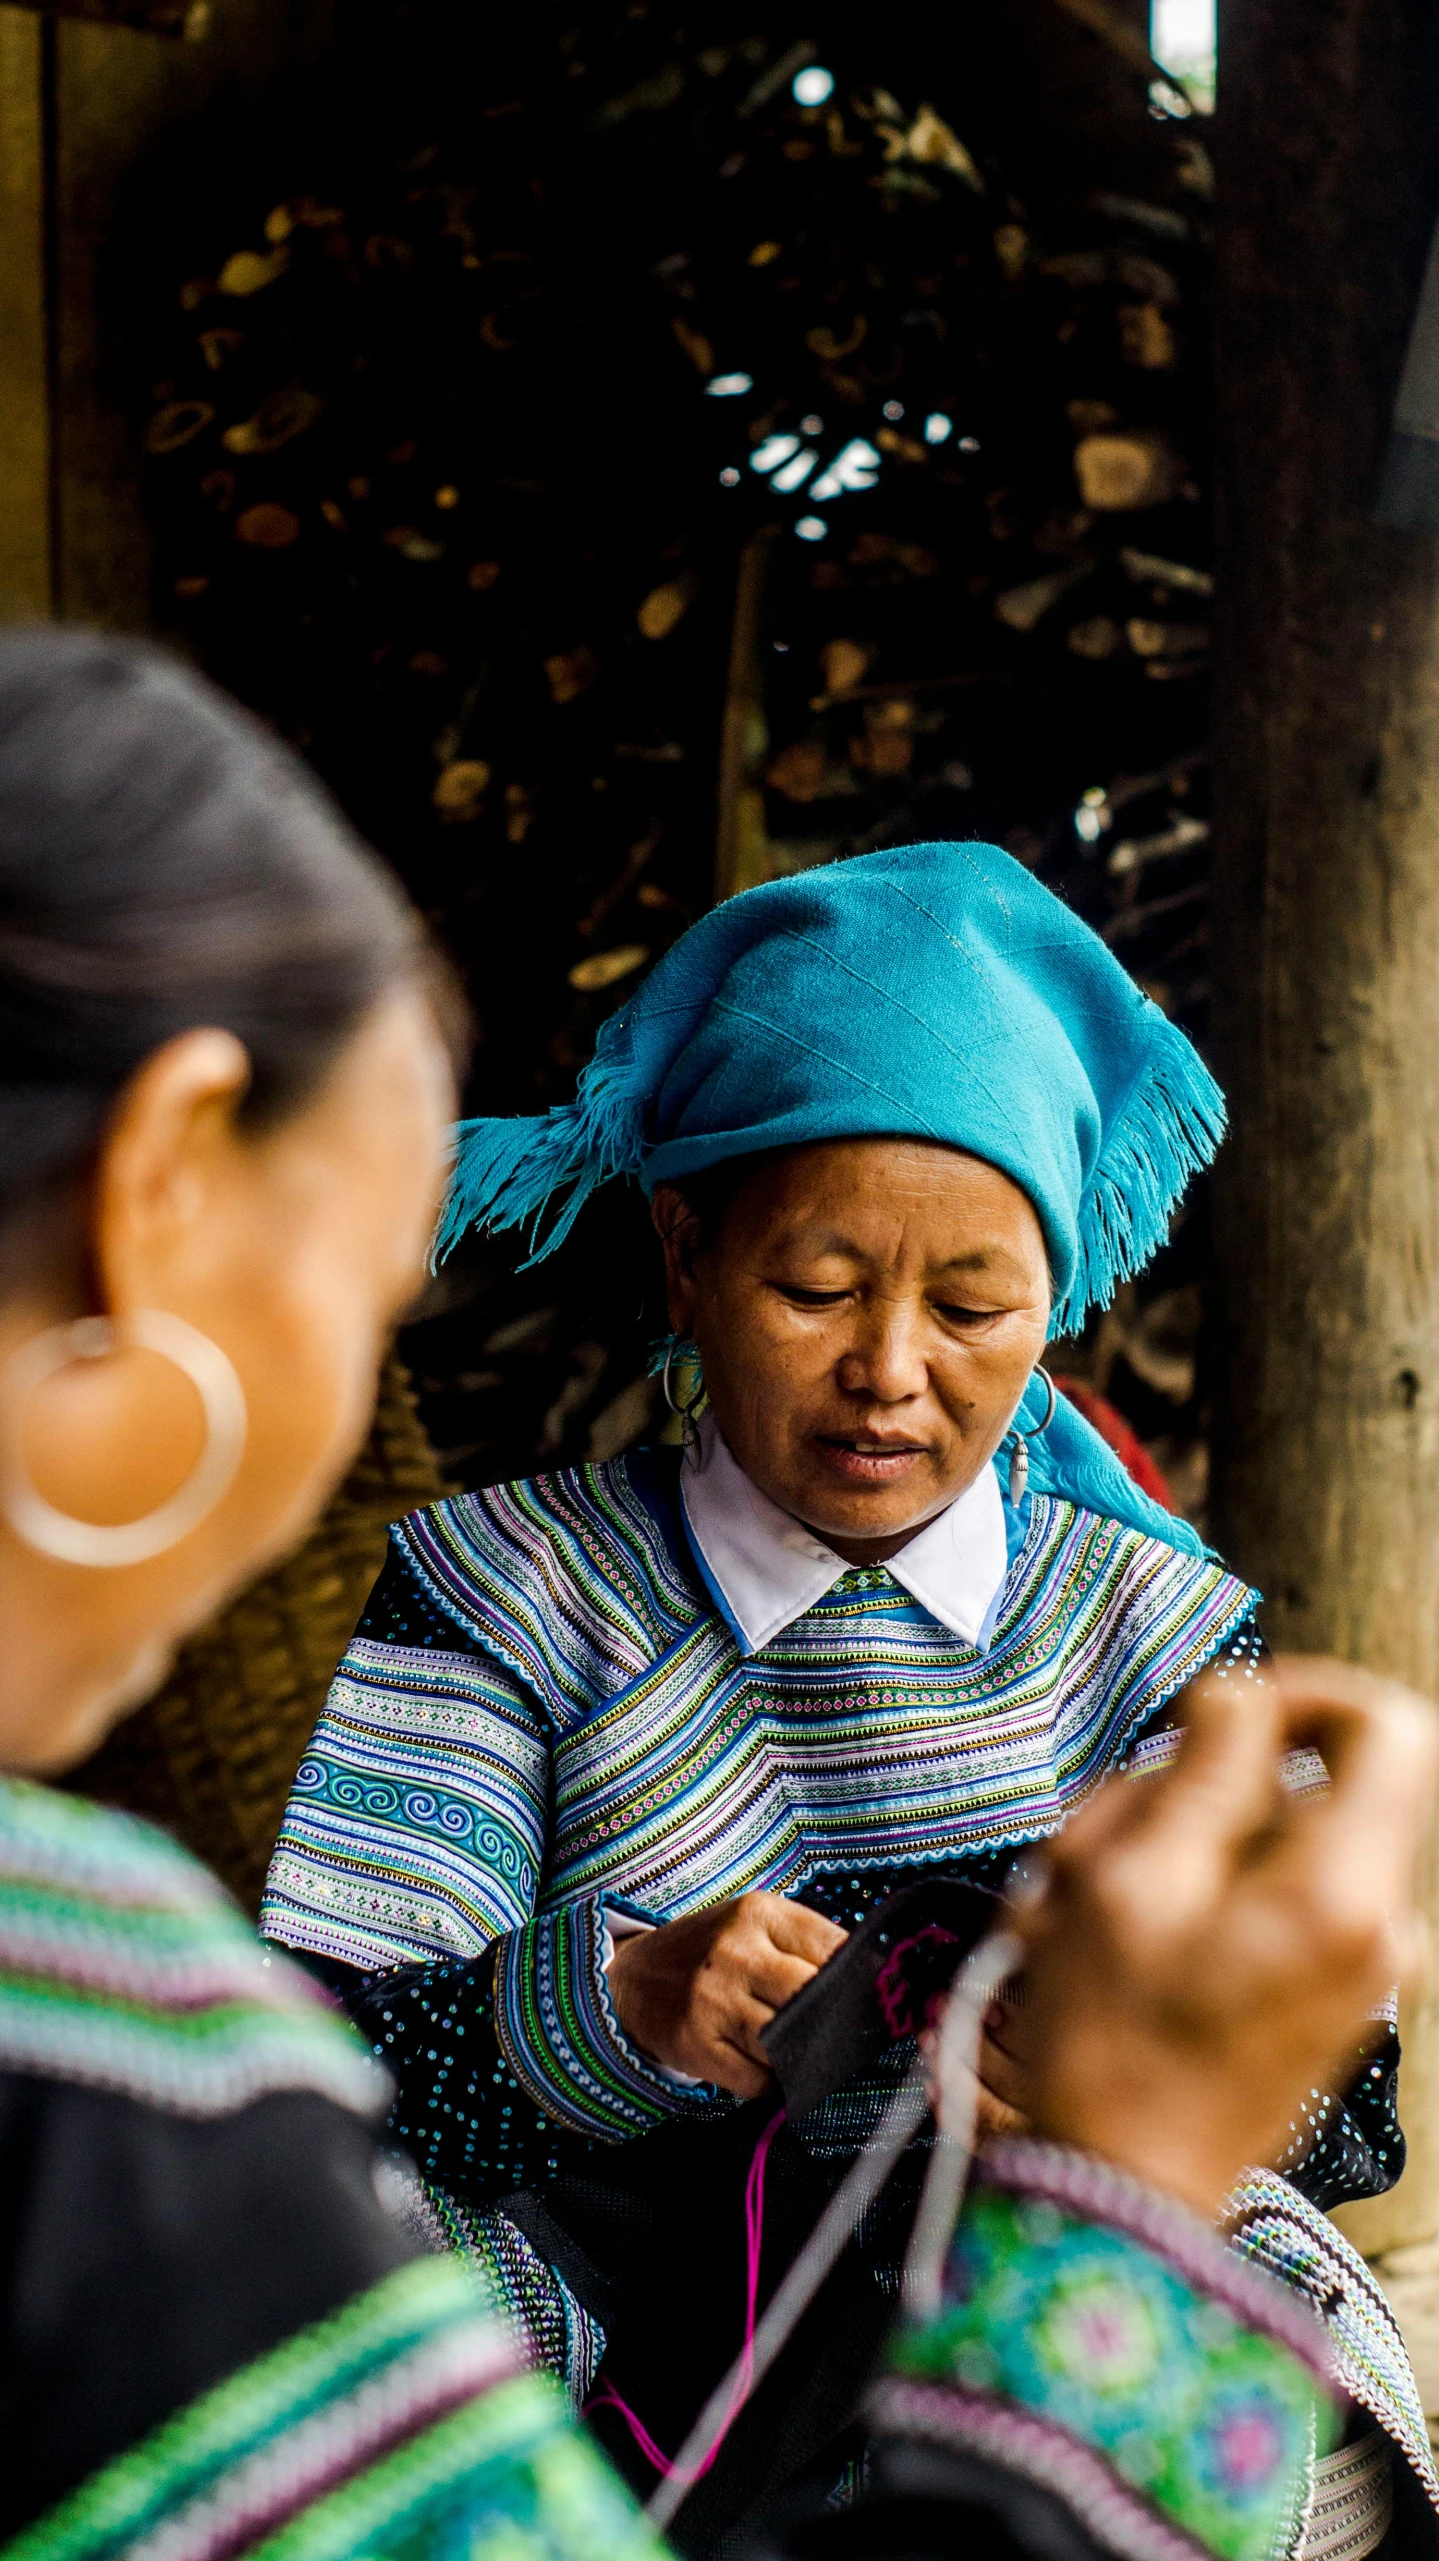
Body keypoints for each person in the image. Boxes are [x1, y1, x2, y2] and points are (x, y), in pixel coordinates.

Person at [0, 628, 1426, 2561]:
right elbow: (345, 2070)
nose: (891, 1370)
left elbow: (1349, 2117)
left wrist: (1148, 2086)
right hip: (633, 2303)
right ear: (680, 1258)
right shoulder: (495, 1595)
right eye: (817, 1289)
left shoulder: (1151, 1630)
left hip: (987, 2245)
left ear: (1055, 1303)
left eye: (974, 1305)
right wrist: (615, 2004)